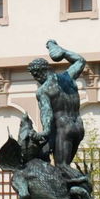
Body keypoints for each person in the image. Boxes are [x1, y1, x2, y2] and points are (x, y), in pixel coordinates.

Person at [28, 40, 86, 174]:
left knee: (62, 167)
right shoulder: (68, 77)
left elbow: (46, 114)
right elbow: (81, 61)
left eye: (35, 75)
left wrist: (44, 132)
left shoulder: (43, 90)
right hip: (78, 127)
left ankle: (83, 186)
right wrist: (64, 52)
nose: (36, 79)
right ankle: (78, 189)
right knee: (65, 170)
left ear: (39, 72)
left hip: (64, 128)